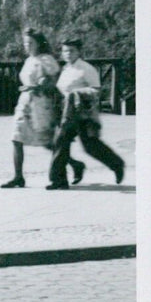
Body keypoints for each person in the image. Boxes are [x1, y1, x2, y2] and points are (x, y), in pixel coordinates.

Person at [1, 28, 85, 188]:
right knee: (16, 138)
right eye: (25, 43)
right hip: (25, 102)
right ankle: (18, 176)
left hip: (41, 104)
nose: (27, 46)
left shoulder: (46, 59)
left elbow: (57, 82)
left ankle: (75, 164)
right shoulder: (28, 61)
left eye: (30, 42)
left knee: (47, 142)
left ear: (39, 43)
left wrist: (45, 82)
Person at [46, 38, 125, 190]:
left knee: (90, 146)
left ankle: (117, 164)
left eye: (71, 50)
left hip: (83, 114)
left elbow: (96, 90)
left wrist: (77, 93)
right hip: (67, 113)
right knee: (60, 142)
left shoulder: (86, 69)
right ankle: (59, 180)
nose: (67, 54)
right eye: (64, 51)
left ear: (79, 51)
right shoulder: (66, 69)